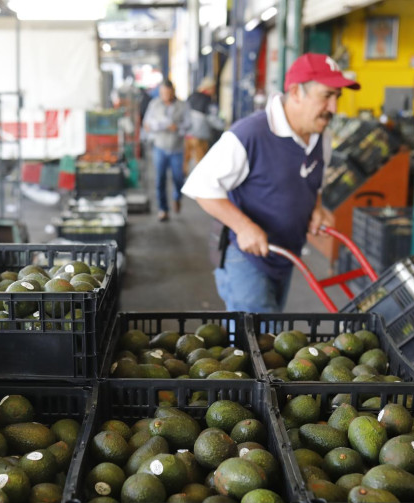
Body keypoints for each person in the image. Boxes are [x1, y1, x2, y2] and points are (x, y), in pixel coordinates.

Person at [181, 53, 359, 313]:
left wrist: (316, 208)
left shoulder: (322, 138)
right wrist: (243, 226)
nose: (333, 107)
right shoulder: (249, 134)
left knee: (272, 331)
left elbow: (313, 182)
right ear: (296, 92)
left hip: (285, 254)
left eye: (337, 97)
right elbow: (202, 186)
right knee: (257, 334)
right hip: (245, 258)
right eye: (326, 96)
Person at [142, 79, 189, 222]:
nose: (165, 96)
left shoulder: (182, 106)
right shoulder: (154, 104)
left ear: (173, 92)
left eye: (167, 93)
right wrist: (153, 126)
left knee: (178, 178)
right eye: (162, 93)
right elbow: (146, 123)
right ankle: (163, 209)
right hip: (160, 147)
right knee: (160, 179)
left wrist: (177, 128)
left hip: (176, 148)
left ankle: (177, 197)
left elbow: (189, 124)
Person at [184, 77, 225, 174]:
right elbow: (213, 119)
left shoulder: (192, 96)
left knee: (186, 162)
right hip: (200, 137)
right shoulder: (208, 100)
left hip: (187, 136)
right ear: (209, 88)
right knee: (201, 164)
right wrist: (225, 126)